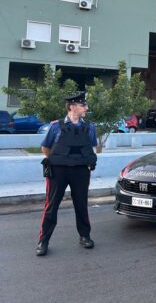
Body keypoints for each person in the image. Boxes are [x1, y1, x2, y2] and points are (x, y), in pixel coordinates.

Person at [36, 92, 98, 256]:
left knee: (81, 204)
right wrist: (59, 160)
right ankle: (43, 241)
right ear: (72, 106)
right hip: (59, 171)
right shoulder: (56, 126)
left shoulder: (90, 127)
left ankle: (84, 236)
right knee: (51, 205)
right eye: (83, 105)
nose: (86, 108)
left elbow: (92, 146)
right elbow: (45, 148)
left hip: (81, 171)